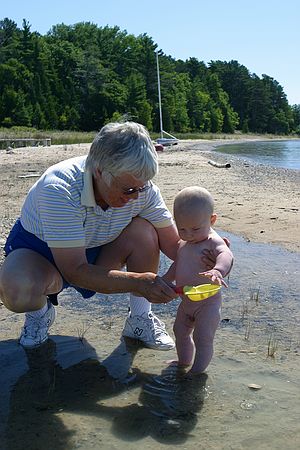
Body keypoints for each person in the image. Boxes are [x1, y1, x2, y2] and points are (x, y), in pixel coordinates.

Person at [0, 122, 181, 350]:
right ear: (98, 171)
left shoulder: (142, 190)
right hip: (40, 251)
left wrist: (210, 251)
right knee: (16, 288)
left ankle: (139, 318)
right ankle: (39, 314)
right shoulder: (59, 188)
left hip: (97, 243)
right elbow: (74, 271)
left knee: (144, 231)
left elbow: (175, 246)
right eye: (128, 190)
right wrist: (140, 282)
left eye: (141, 188)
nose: (135, 196)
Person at [163, 186, 234, 375]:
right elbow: (176, 265)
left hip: (207, 304)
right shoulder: (184, 243)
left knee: (203, 337)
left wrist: (218, 270)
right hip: (186, 302)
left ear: (211, 220)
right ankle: (183, 361)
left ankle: (197, 371)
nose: (189, 234)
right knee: (180, 332)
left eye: (195, 228)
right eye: (182, 229)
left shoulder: (213, 241)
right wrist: (164, 280)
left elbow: (226, 255)